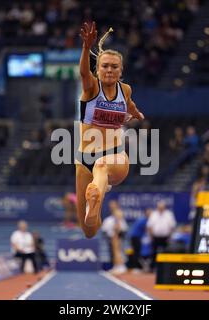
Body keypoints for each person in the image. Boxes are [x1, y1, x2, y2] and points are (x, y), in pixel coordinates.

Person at [76, 21, 144, 238]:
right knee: (89, 230)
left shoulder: (125, 90)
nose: (109, 70)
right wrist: (87, 48)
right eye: (105, 66)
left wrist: (136, 113)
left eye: (114, 66)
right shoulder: (91, 88)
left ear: (121, 70)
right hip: (84, 159)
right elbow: (84, 73)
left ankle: (95, 193)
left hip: (114, 155)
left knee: (102, 164)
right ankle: (95, 206)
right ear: (98, 69)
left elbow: (130, 104)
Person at [147, 200, 177, 270]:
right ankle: (153, 267)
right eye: (159, 207)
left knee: (166, 252)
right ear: (157, 207)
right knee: (154, 252)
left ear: (164, 207)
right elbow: (149, 226)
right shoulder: (153, 214)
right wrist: (151, 236)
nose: (160, 209)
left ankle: (166, 267)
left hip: (165, 237)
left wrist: (170, 236)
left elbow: (172, 226)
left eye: (162, 207)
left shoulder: (169, 214)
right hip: (155, 237)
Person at [101, 200, 128, 274]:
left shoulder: (118, 213)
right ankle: (116, 266)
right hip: (113, 236)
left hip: (117, 236)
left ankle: (121, 266)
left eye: (113, 205)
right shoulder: (110, 218)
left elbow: (119, 226)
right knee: (114, 252)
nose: (111, 207)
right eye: (110, 206)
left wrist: (116, 233)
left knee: (118, 251)